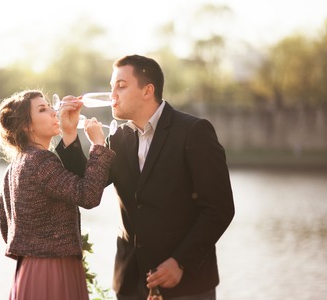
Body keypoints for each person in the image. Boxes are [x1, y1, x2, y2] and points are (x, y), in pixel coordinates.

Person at [56, 55, 235, 300]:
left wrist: (180, 262)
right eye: (111, 87)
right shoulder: (118, 138)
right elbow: (85, 190)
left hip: (187, 285)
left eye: (121, 86)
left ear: (147, 90)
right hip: (131, 283)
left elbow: (219, 208)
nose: (112, 96)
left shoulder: (194, 132)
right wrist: (68, 135)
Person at [0, 89, 115, 300]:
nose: (53, 112)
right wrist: (98, 145)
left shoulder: (14, 167)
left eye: (50, 106)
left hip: (29, 270)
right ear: (27, 125)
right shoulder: (41, 161)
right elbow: (88, 195)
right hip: (54, 269)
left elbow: (7, 228)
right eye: (42, 109)